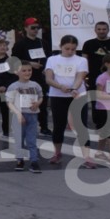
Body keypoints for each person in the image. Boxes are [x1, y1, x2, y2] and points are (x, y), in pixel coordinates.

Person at [44, 35, 94, 168]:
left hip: (77, 95)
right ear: (61, 47)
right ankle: (57, 152)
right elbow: (49, 78)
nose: (70, 51)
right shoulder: (52, 59)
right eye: (67, 48)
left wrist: (74, 88)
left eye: (73, 49)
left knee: (81, 126)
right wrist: (60, 87)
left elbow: (80, 77)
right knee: (59, 125)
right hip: (58, 95)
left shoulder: (81, 60)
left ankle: (87, 156)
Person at [12, 18, 52, 136]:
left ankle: (44, 126)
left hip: (41, 77)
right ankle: (26, 127)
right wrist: (30, 63)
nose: (35, 30)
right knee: (26, 103)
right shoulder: (20, 44)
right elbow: (14, 60)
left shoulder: (43, 43)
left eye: (37, 28)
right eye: (32, 28)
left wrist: (46, 69)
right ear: (26, 29)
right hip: (26, 78)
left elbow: (49, 58)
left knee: (42, 102)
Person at [5, 61, 44, 173]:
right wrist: (17, 113)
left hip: (32, 115)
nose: (27, 72)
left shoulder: (35, 85)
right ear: (17, 72)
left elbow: (41, 97)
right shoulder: (13, 86)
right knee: (19, 139)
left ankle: (34, 161)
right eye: (24, 70)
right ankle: (20, 160)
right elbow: (9, 102)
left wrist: (37, 103)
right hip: (19, 115)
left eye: (29, 70)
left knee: (31, 139)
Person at [81, 22, 110, 125]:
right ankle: (99, 124)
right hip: (94, 78)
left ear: (108, 30)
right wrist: (84, 77)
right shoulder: (88, 44)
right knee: (96, 101)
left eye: (104, 29)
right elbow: (84, 61)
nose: (101, 31)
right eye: (99, 29)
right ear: (95, 30)